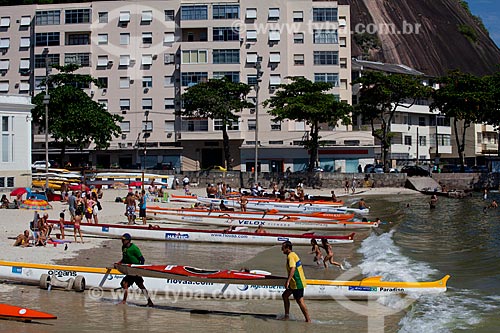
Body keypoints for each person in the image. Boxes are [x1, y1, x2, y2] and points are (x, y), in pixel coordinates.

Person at [115, 233, 154, 307]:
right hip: (129, 270)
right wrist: (118, 263)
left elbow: (142, 259)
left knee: (140, 286)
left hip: (135, 270)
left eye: (124, 240)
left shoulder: (134, 248)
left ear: (129, 240)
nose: (122, 241)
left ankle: (149, 301)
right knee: (125, 284)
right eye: (122, 240)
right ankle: (124, 301)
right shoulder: (123, 247)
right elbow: (124, 258)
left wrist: (139, 270)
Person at [281, 241, 311, 323]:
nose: (281, 249)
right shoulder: (292, 255)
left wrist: (288, 281)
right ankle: (286, 315)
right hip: (294, 283)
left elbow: (293, 268)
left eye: (283, 247)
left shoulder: (291, 256)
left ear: (288, 248)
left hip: (297, 282)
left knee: (300, 301)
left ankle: (308, 320)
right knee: (285, 295)